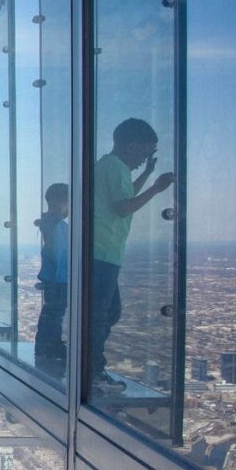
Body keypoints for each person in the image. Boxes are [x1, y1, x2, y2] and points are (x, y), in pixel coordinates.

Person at [90, 118, 175, 394]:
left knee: (108, 312)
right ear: (131, 145)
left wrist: (148, 174)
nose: (143, 160)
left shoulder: (110, 167)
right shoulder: (114, 168)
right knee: (102, 314)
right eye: (143, 154)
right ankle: (92, 372)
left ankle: (89, 366)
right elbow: (123, 208)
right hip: (102, 253)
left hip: (103, 252)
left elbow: (124, 196)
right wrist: (156, 188)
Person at [34, 183, 70, 370]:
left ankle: (47, 346)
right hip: (59, 279)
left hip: (56, 278)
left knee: (52, 313)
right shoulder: (56, 225)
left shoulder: (52, 223)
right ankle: (49, 346)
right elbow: (58, 253)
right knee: (54, 313)